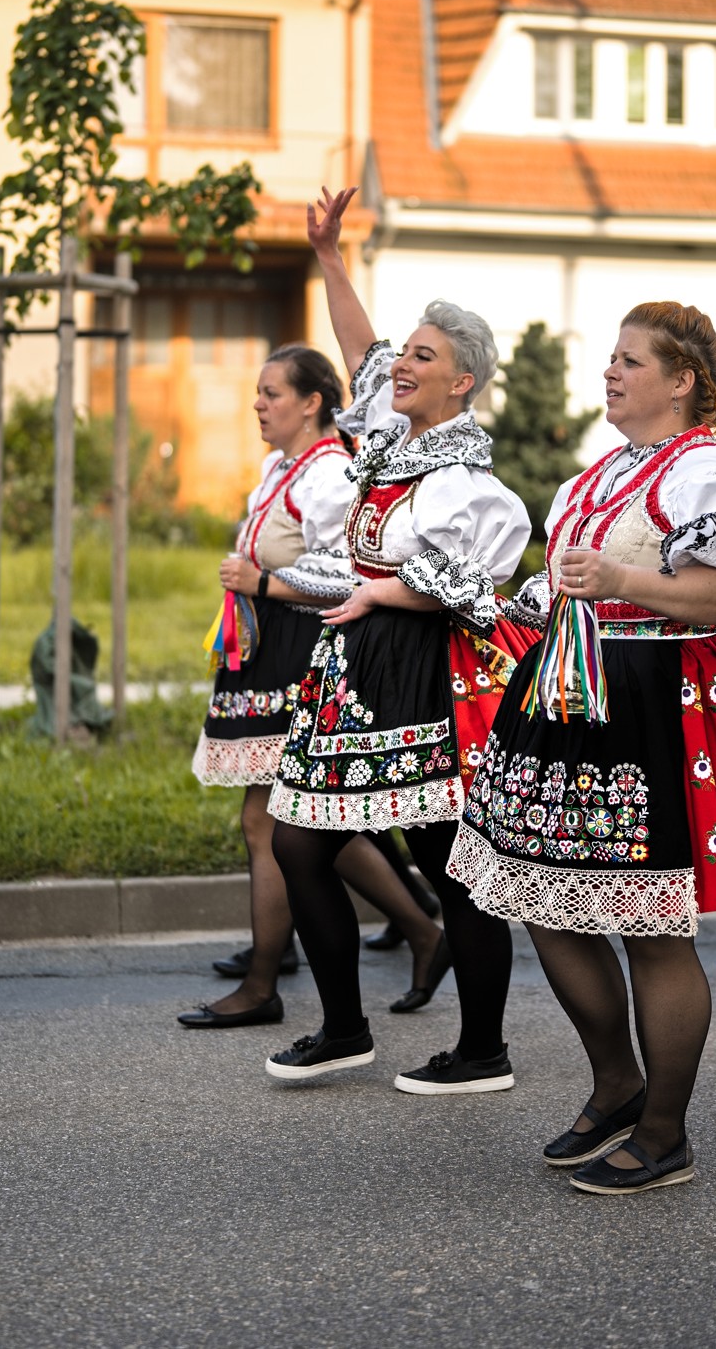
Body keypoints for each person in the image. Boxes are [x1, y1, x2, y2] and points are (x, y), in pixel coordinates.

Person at [449, 302, 716, 1194]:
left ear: (680, 382)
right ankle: (615, 1085)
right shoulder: (595, 478)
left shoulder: (711, 475)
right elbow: (565, 586)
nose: (610, 371)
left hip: (649, 706)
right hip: (569, 698)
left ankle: (665, 1132)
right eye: (611, 357)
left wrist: (619, 578)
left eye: (630, 360)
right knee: (545, 900)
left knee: (650, 927)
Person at [265, 186, 533, 1091]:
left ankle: (482, 1048)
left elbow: (467, 582)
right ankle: (345, 1027)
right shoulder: (394, 436)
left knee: (449, 865)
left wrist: (378, 588)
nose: (398, 366)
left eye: (423, 356)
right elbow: (358, 349)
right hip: (354, 663)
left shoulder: (462, 478)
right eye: (405, 353)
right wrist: (329, 257)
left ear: (463, 383)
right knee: (298, 840)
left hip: (420, 672)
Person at [179, 343, 449, 1030]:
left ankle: (266, 982)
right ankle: (418, 929)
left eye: (271, 393)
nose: (258, 405)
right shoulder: (281, 466)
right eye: (259, 392)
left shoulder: (330, 474)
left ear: (311, 404)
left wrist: (265, 582)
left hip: (303, 652)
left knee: (273, 819)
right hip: (265, 651)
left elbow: (348, 573)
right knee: (300, 818)